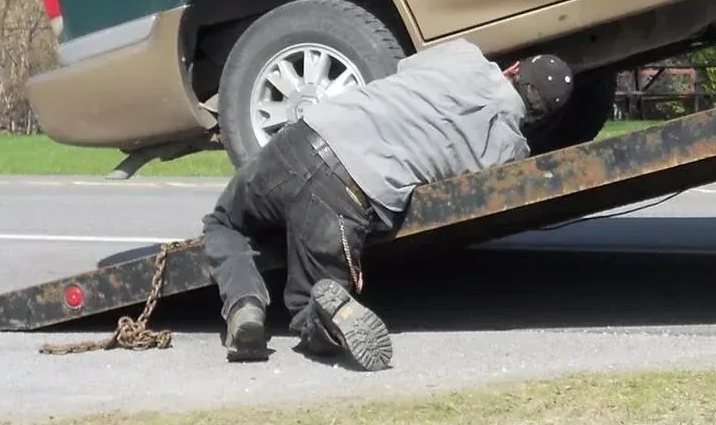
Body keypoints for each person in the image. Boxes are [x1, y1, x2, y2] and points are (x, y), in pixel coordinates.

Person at [202, 40, 573, 369]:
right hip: (349, 195)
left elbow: (404, 69)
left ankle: (244, 306)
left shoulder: (465, 55)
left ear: (513, 69)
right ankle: (324, 316)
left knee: (225, 222)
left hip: (307, 138)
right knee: (307, 308)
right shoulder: (509, 152)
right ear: (541, 115)